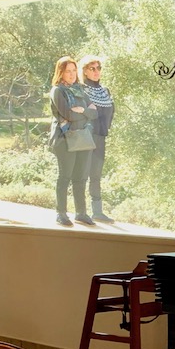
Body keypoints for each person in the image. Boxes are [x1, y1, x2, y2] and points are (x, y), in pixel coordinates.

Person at [47, 55, 98, 227]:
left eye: (74, 70)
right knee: (65, 177)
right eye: (68, 71)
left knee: (80, 177)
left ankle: (81, 213)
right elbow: (67, 114)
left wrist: (81, 109)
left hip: (82, 138)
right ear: (60, 73)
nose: (72, 74)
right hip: (64, 139)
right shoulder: (57, 91)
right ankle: (60, 213)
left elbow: (94, 112)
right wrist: (83, 113)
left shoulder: (80, 90)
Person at [79, 55, 115, 223]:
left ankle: (97, 212)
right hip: (86, 136)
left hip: (100, 137)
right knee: (82, 174)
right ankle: (81, 212)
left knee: (96, 174)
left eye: (98, 68)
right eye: (92, 68)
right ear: (85, 71)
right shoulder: (81, 89)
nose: (96, 71)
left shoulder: (105, 90)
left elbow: (111, 112)